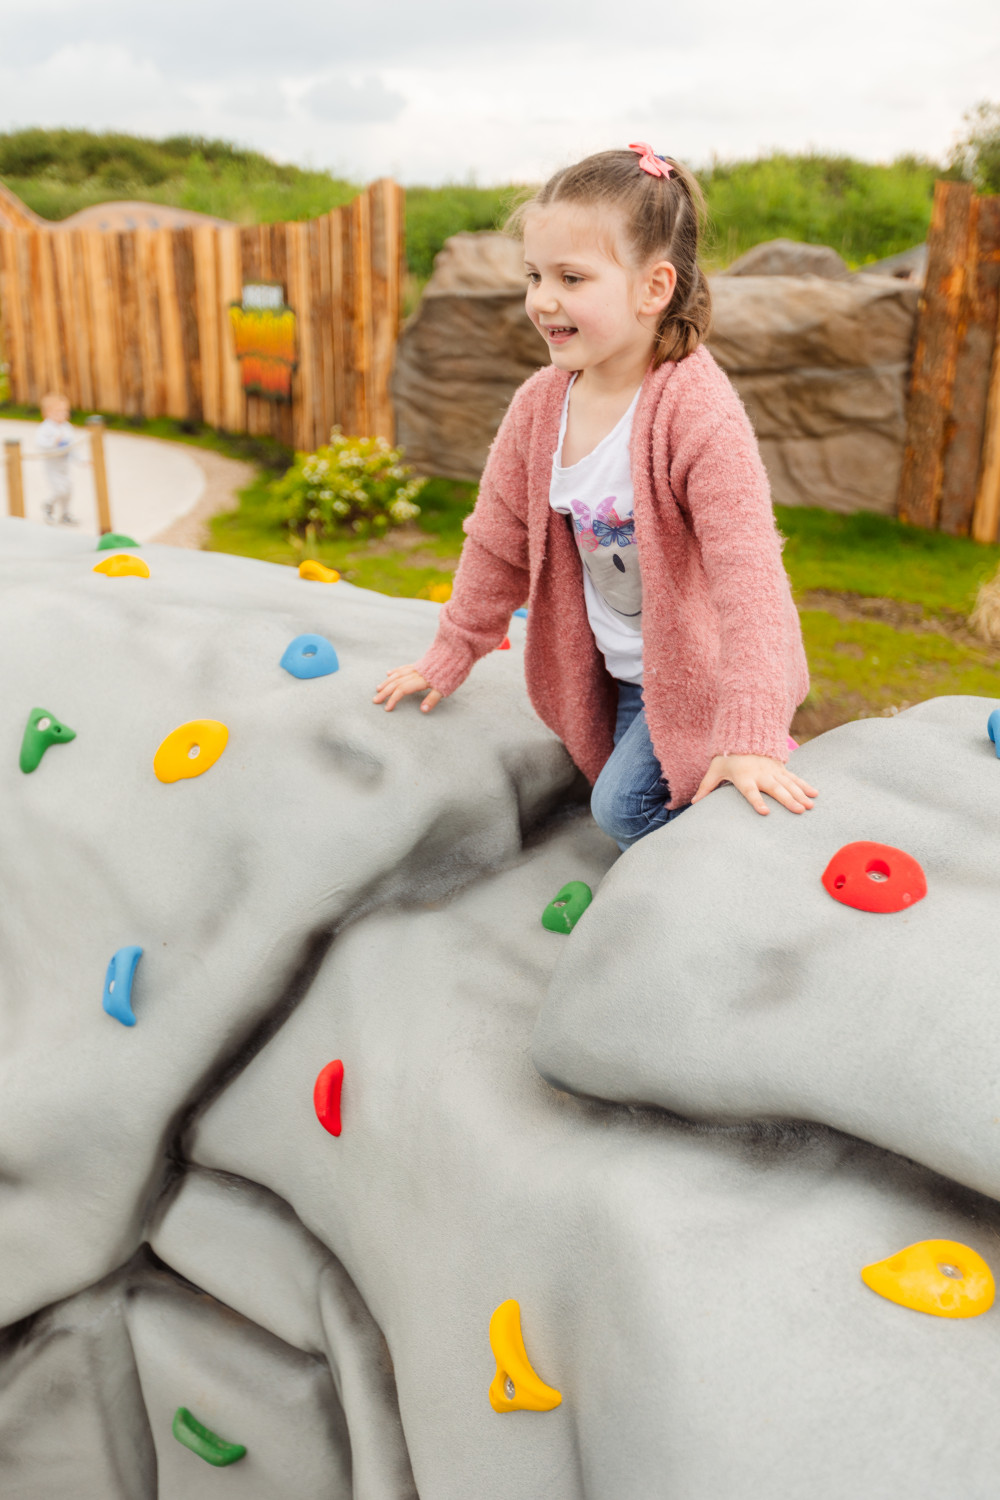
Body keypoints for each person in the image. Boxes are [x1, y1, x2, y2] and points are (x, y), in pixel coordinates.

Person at [374, 144, 815, 849]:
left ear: (653, 288)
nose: (543, 299)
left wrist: (754, 730)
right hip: (620, 676)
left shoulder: (696, 414)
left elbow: (751, 580)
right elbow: (496, 542)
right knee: (604, 784)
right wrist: (449, 654)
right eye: (535, 275)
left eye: (572, 277)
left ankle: (740, 851)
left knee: (622, 811)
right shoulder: (539, 407)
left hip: (702, 676)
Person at [32, 393, 87, 525]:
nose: (62, 415)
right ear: (47, 413)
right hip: (53, 466)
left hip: (64, 465)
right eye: (58, 412)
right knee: (59, 489)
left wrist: (81, 460)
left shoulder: (66, 427)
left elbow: (71, 446)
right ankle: (48, 505)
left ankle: (65, 514)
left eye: (64, 411)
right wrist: (53, 442)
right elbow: (40, 444)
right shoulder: (45, 428)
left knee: (68, 490)